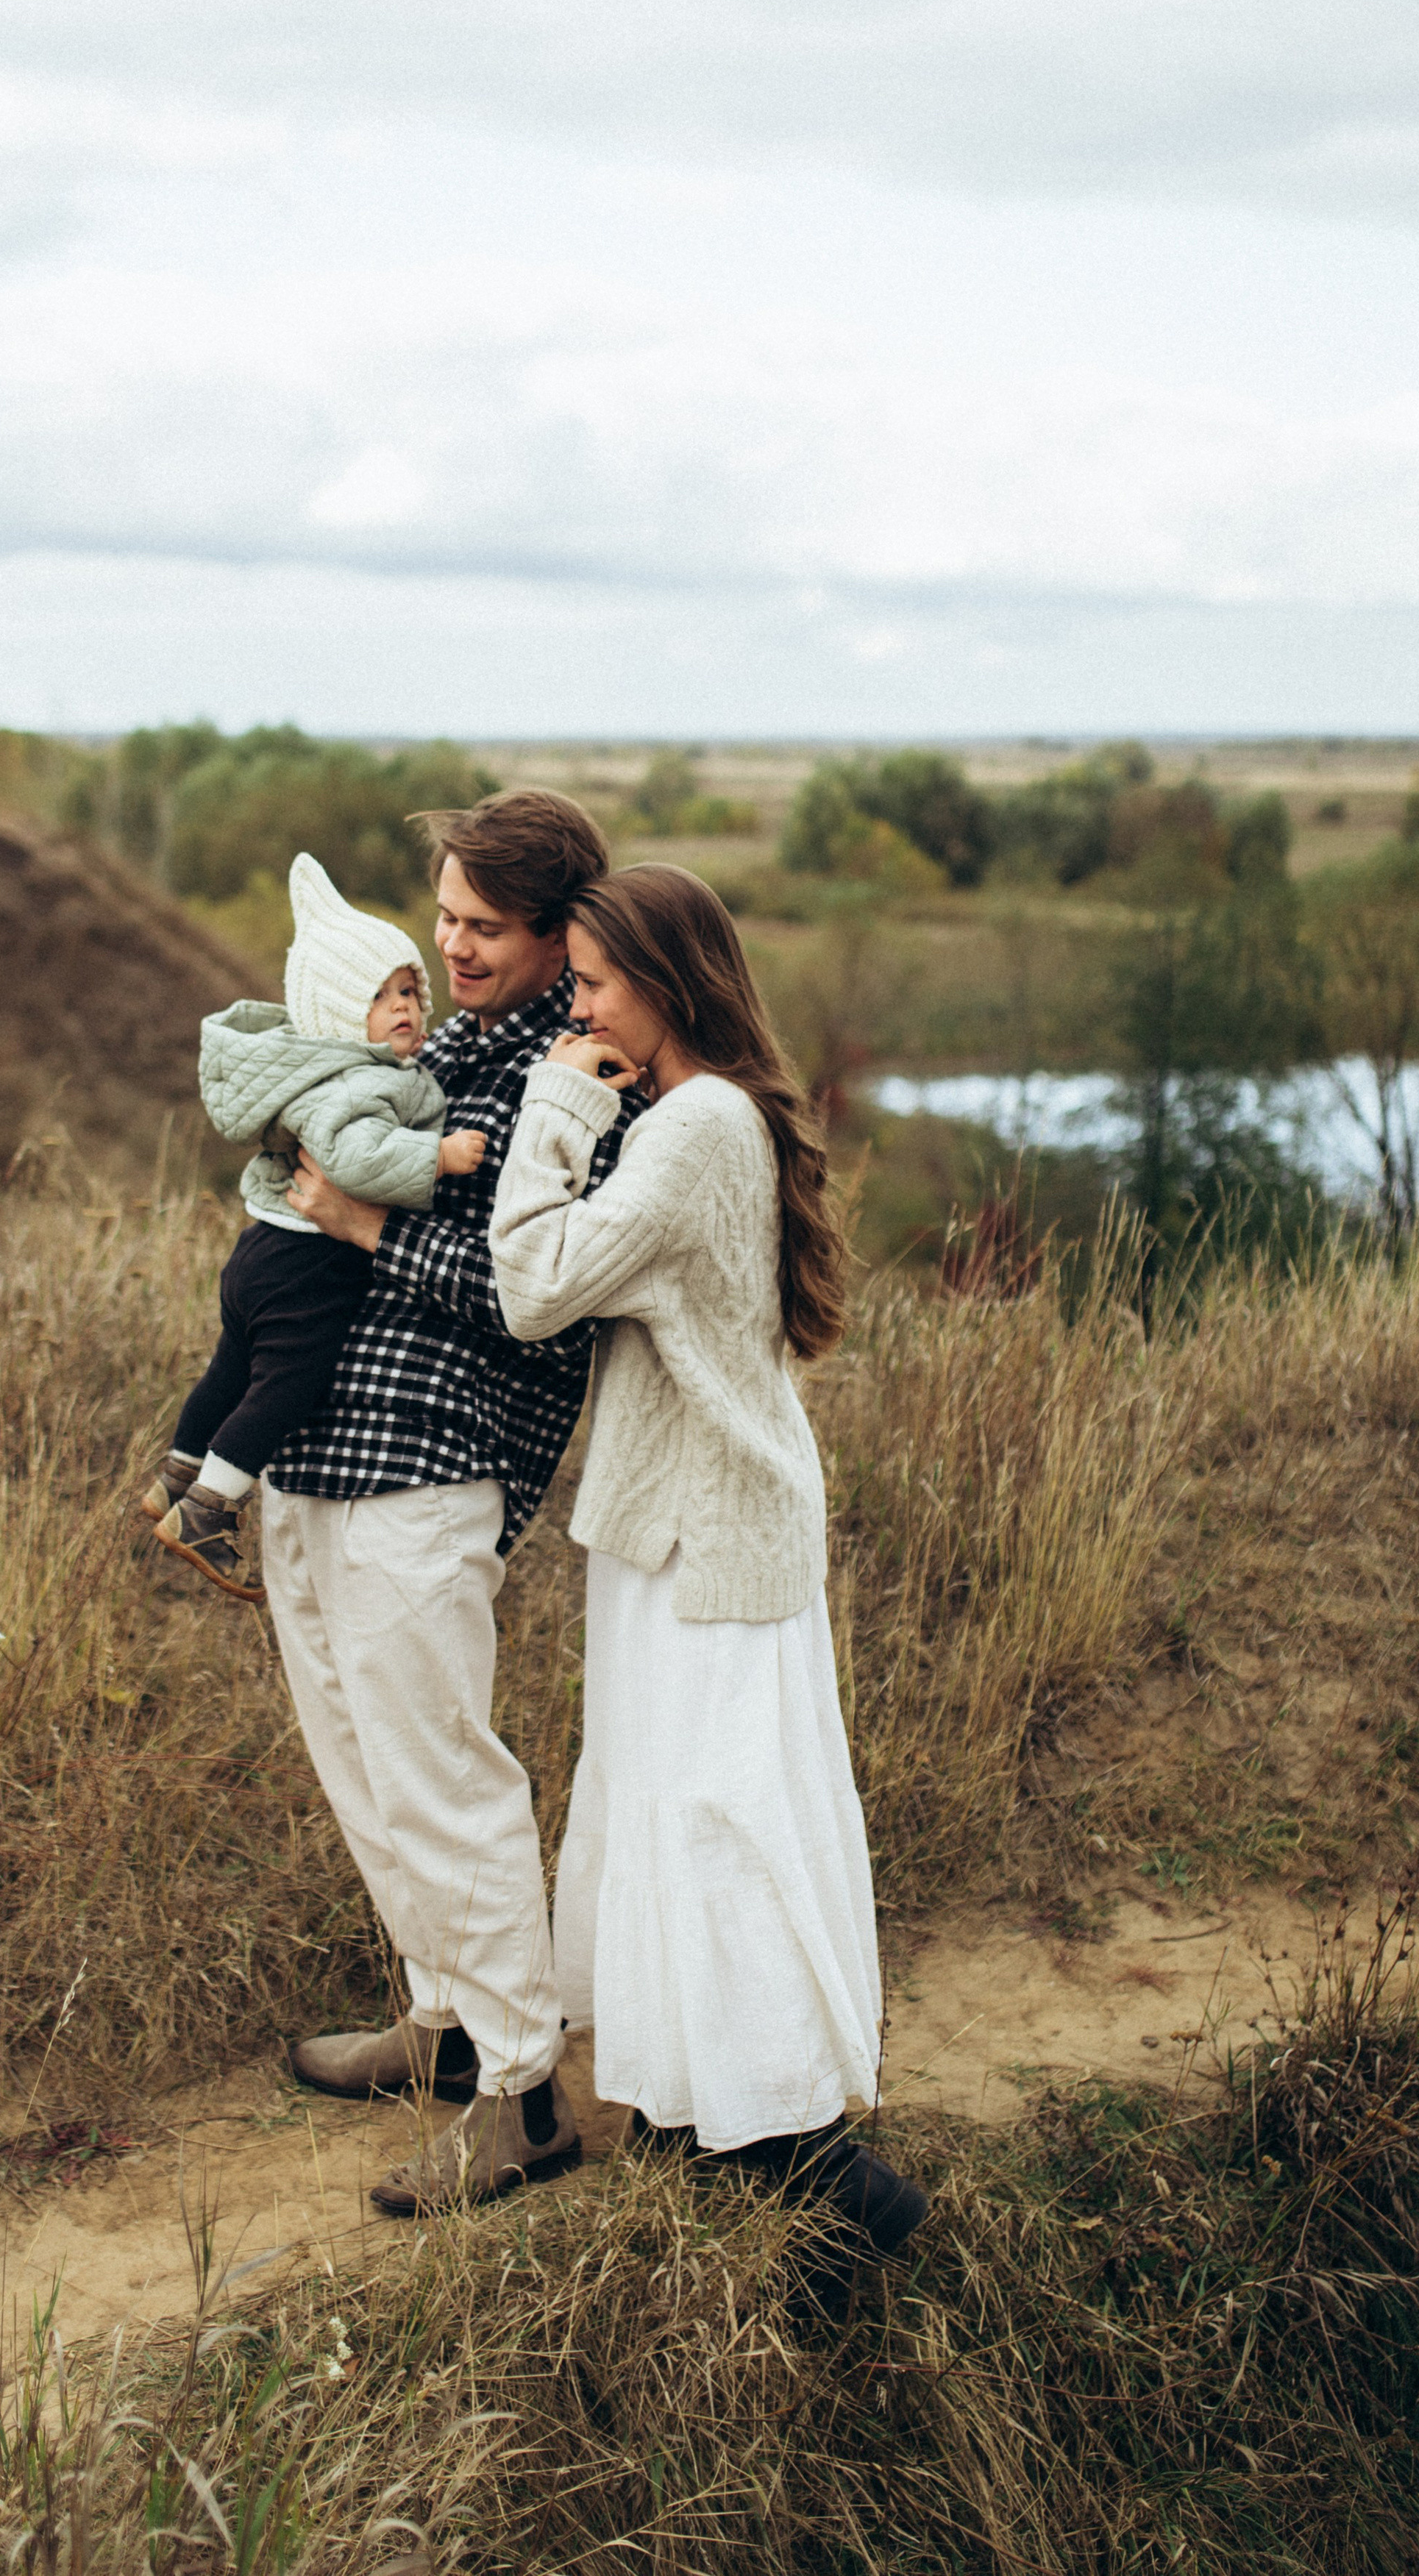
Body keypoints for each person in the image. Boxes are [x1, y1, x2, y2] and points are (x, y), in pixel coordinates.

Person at [489, 860, 928, 2296]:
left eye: (600, 981)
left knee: (716, 1821)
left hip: (710, 1540)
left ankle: (805, 2162)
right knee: (680, 1810)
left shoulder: (687, 1128)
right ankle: (709, 2111)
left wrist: (558, 1107)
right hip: (691, 1526)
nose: (579, 1003)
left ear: (666, 986)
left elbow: (531, 1282)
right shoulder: (705, 1113)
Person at [261, 790, 647, 2214]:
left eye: (484, 926)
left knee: (439, 1769)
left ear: (563, 935)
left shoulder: (583, 1077)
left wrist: (366, 1223)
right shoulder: (440, 1045)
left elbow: (525, 1298)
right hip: (322, 1445)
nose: (450, 945)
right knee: (359, 1755)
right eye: (441, 915)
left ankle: (525, 2096)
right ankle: (441, 2018)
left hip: (435, 1464)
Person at [143, 853, 488, 1598]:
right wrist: (439, 1155)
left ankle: (176, 1475)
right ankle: (210, 1507)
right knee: (287, 1383)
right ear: (337, 1013)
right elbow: (353, 1159)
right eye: (381, 996)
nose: (405, 1007)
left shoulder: (318, 1069)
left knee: (231, 1367)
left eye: (410, 990)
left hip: (259, 1253)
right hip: (308, 1264)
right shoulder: (358, 1082)